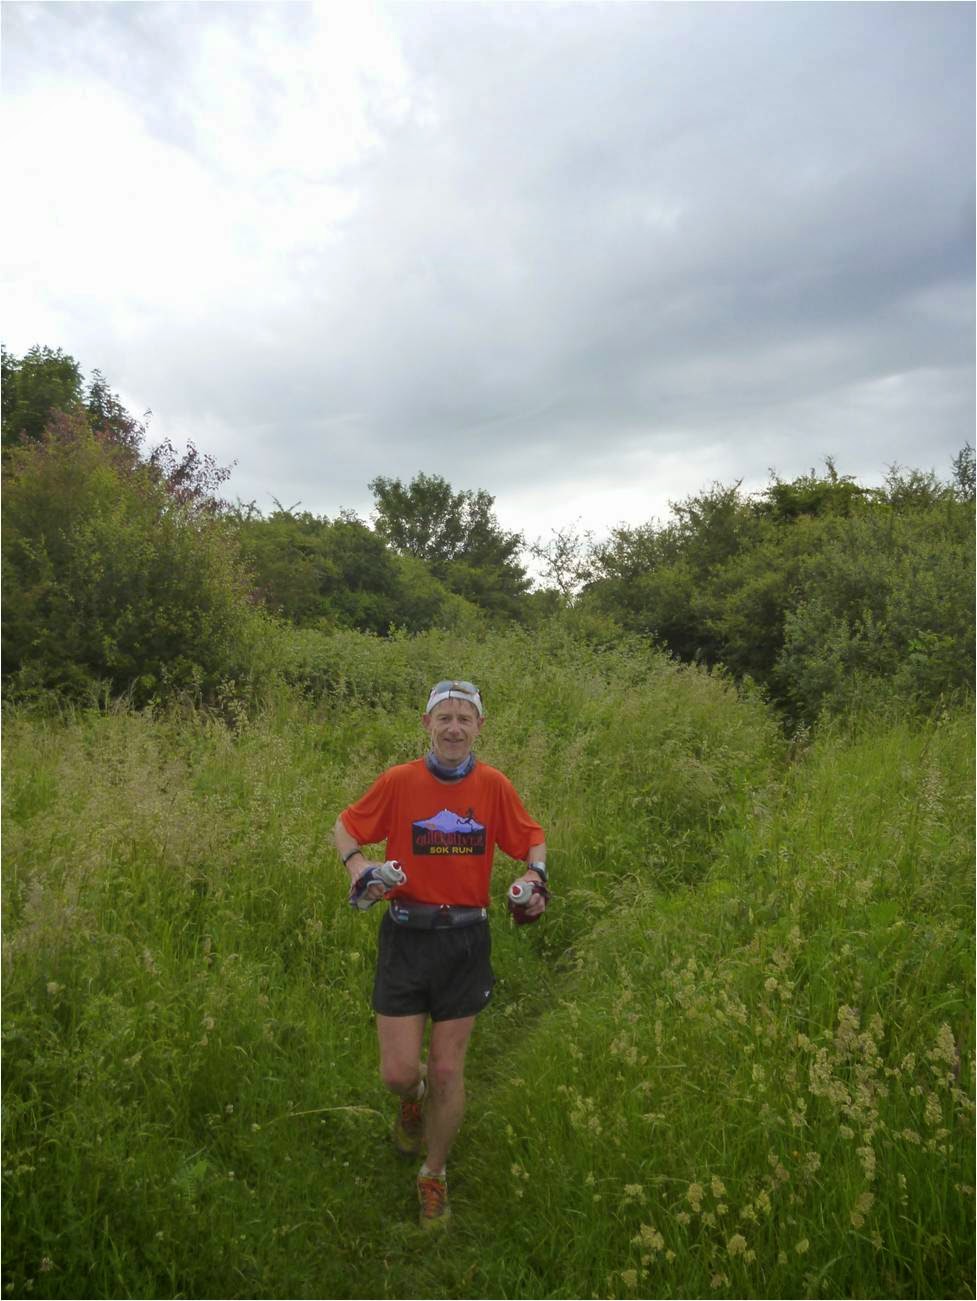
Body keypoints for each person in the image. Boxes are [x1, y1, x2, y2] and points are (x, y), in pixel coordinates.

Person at [333, 678, 548, 1230]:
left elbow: (532, 838)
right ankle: (415, 1097)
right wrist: (359, 868)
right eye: (444, 718)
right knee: (398, 1073)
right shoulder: (399, 781)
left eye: (464, 719)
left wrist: (535, 876)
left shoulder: (494, 786)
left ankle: (434, 1174)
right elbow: (346, 827)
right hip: (406, 937)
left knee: (450, 1068)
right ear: (427, 724)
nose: (454, 728)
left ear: (479, 727)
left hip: (465, 942)